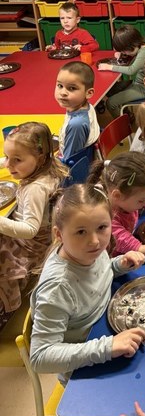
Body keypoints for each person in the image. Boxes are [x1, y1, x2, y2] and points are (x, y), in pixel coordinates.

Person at [29, 183, 145, 384]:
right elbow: (40, 357)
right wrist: (107, 347)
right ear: (59, 234)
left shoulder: (87, 252)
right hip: (86, 366)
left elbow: (98, 274)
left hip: (107, 327)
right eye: (81, 232)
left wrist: (119, 265)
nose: (95, 241)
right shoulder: (58, 287)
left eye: (102, 228)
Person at [0, 122, 68, 329]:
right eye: (6, 157)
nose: (9, 165)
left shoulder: (35, 189)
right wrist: (9, 160)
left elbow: (30, 230)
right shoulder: (48, 166)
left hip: (32, 245)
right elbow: (10, 160)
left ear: (39, 158)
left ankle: (7, 306)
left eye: (17, 160)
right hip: (42, 236)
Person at [97, 24, 145, 118]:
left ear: (132, 45)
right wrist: (122, 55)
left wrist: (109, 67)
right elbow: (133, 60)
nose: (124, 53)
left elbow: (131, 70)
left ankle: (125, 124)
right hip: (138, 83)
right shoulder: (142, 48)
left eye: (124, 50)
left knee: (111, 103)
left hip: (144, 89)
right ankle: (127, 115)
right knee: (110, 90)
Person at [55, 61, 100, 161]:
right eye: (60, 86)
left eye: (72, 88)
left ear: (89, 93)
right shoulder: (87, 107)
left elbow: (70, 161)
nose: (63, 93)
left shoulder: (76, 125)